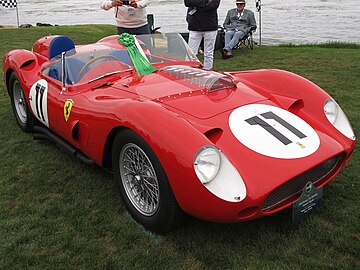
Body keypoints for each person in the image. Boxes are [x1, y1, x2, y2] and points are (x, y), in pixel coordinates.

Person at [184, 0, 221, 70]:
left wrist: (196, 6)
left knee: (208, 53)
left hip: (210, 26)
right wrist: (206, 2)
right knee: (191, 53)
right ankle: (188, 71)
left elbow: (213, 6)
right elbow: (187, 2)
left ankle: (208, 71)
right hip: (195, 26)